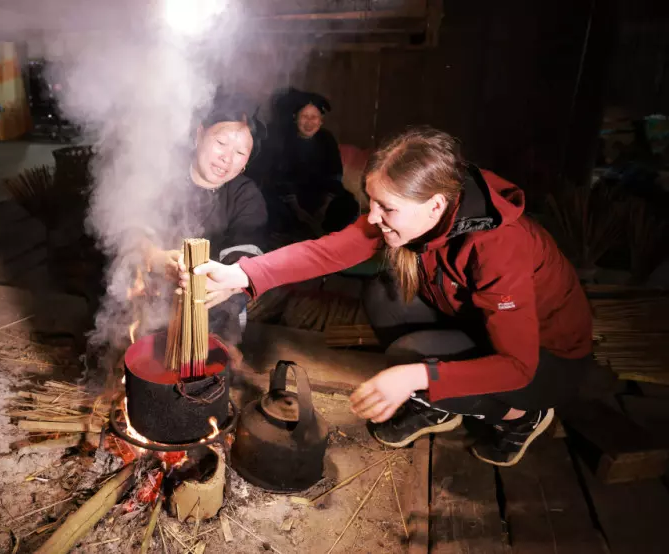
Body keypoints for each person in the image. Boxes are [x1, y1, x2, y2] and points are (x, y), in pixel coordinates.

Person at [180, 126, 594, 467]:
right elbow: (329, 250)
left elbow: (518, 366)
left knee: (412, 356)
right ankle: (443, 400)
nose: (374, 219)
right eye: (371, 203)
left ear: (434, 206)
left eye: (386, 209)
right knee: (383, 293)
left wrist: (418, 377)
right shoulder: (432, 206)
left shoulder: (501, 245)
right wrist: (242, 274)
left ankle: (522, 415)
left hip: (544, 360)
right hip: (478, 324)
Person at [148, 94, 268, 345]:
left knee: (214, 353)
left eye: (240, 152)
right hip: (154, 297)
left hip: (217, 304)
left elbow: (245, 258)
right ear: (199, 134)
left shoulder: (246, 195)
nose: (227, 158)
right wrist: (154, 257)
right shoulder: (161, 177)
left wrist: (228, 284)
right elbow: (130, 229)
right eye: (221, 142)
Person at [269, 90, 359, 237]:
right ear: (295, 117)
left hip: (321, 197)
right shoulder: (284, 139)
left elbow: (335, 174)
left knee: (348, 204)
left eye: (314, 117)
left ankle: (320, 231)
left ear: (321, 120)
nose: (309, 122)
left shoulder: (327, 139)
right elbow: (280, 178)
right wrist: (297, 210)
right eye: (304, 116)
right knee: (274, 208)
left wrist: (324, 207)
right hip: (291, 199)